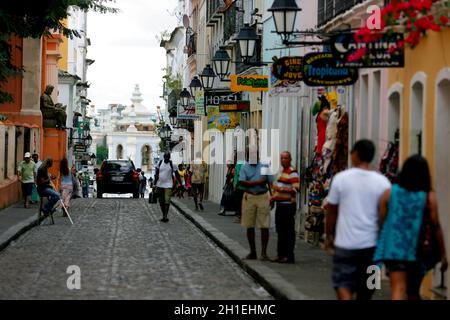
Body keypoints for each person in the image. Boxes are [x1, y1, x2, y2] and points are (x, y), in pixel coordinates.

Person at [374, 155, 448, 300]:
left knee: (398, 289)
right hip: (417, 251)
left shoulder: (390, 193)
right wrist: (444, 254)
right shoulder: (428, 197)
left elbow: (381, 222)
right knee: (413, 292)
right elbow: (436, 227)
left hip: (393, 250)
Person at [325, 139, 391, 300]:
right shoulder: (383, 182)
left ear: (355, 154)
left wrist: (328, 236)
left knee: (342, 284)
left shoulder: (341, 179)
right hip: (372, 248)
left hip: (345, 245)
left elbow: (331, 211)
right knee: (369, 289)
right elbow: (384, 216)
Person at [239, 147, 273, 261]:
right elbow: (242, 182)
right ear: (248, 156)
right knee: (249, 225)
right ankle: (252, 252)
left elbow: (270, 182)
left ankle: (263, 253)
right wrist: (257, 182)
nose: (253, 157)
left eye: (255, 154)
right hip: (249, 197)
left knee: (264, 225)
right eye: (251, 155)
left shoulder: (264, 166)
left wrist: (272, 197)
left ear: (258, 155)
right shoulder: (244, 167)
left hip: (263, 196)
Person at [270, 151, 300, 263]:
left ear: (290, 159)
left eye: (286, 158)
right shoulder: (282, 172)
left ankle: (289, 256)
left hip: (288, 206)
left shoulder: (292, 172)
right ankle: (280, 254)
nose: (283, 160)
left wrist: (280, 189)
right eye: (282, 158)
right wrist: (274, 196)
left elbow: (296, 189)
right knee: (280, 231)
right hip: (280, 205)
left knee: (288, 232)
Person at [155, 152, 175, 222]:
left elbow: (176, 173)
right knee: (161, 201)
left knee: (167, 200)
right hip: (160, 184)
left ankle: (165, 216)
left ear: (169, 157)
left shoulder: (172, 164)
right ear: (163, 157)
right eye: (165, 157)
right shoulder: (160, 163)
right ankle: (164, 214)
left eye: (168, 157)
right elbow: (156, 174)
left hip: (168, 184)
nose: (166, 159)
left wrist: (178, 183)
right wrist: (155, 184)